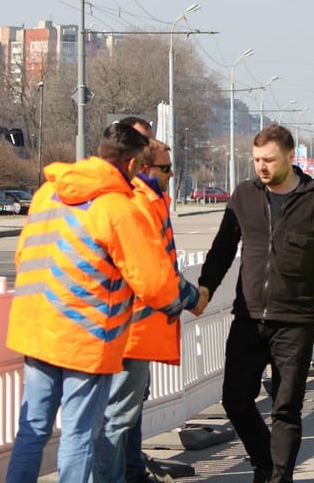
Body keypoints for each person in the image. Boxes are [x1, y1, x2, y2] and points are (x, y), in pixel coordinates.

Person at [5, 123, 202, 482]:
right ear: (130, 165)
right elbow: (154, 283)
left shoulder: (48, 193)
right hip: (85, 335)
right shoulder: (116, 208)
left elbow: (23, 257)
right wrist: (192, 297)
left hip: (35, 328)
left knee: (32, 430)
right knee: (79, 435)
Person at [198, 124, 314, 483]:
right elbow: (222, 249)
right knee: (235, 399)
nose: (261, 167)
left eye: (269, 160)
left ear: (290, 157)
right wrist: (204, 289)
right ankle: (266, 463)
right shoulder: (244, 196)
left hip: (295, 320)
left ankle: (278, 478)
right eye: (257, 160)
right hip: (248, 317)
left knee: (286, 408)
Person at [93, 139, 208, 483]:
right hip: (129, 327)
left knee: (120, 416)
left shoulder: (148, 201)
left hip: (131, 325)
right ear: (142, 168)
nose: (172, 174)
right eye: (166, 168)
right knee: (114, 419)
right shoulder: (138, 204)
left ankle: (129, 473)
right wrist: (190, 299)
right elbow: (153, 273)